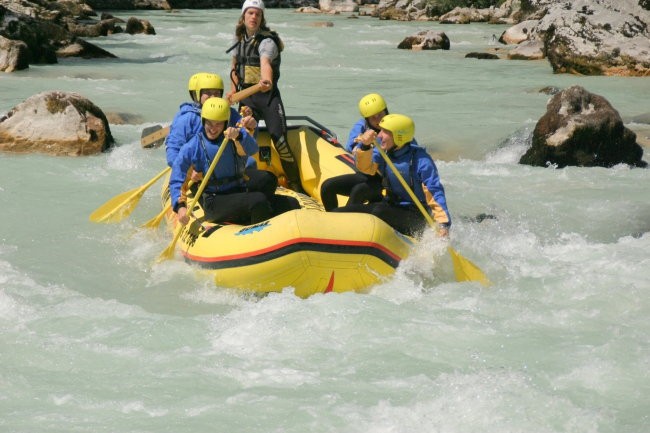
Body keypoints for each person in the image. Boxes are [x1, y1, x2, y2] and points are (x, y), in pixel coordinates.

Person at [226, 0, 304, 194]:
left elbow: (266, 63)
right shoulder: (237, 41)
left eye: (257, 14)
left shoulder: (267, 42)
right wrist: (232, 92)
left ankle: (295, 183)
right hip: (247, 100)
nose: (254, 17)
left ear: (262, 18)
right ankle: (238, 180)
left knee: (280, 141)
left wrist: (265, 80)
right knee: (240, 140)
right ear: (243, 16)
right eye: (250, 13)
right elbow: (235, 70)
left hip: (268, 99)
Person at [331, 114, 451, 238]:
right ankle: (336, 221)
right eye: (381, 130)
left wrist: (443, 225)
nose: (380, 135)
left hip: (416, 216)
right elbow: (366, 169)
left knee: (378, 211)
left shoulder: (421, 161)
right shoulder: (385, 153)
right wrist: (365, 146)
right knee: (367, 206)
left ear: (399, 137)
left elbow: (435, 193)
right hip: (391, 205)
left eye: (386, 131)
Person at [170, 97, 273, 226]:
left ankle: (253, 218)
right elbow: (177, 178)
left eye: (218, 124)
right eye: (209, 123)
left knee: (284, 197)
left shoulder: (232, 137)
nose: (213, 128)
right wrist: (180, 207)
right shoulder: (192, 146)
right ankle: (257, 233)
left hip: (237, 190)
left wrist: (240, 135)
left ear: (225, 123)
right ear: (203, 121)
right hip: (214, 200)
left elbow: (252, 149)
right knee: (258, 200)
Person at [319, 93, 387, 211]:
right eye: (373, 117)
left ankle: (343, 220)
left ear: (386, 111)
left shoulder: (395, 128)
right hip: (366, 175)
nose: (378, 120)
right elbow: (352, 145)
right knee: (327, 186)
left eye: (380, 114)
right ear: (367, 119)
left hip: (384, 182)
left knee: (358, 191)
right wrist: (362, 145)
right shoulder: (362, 126)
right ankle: (333, 219)